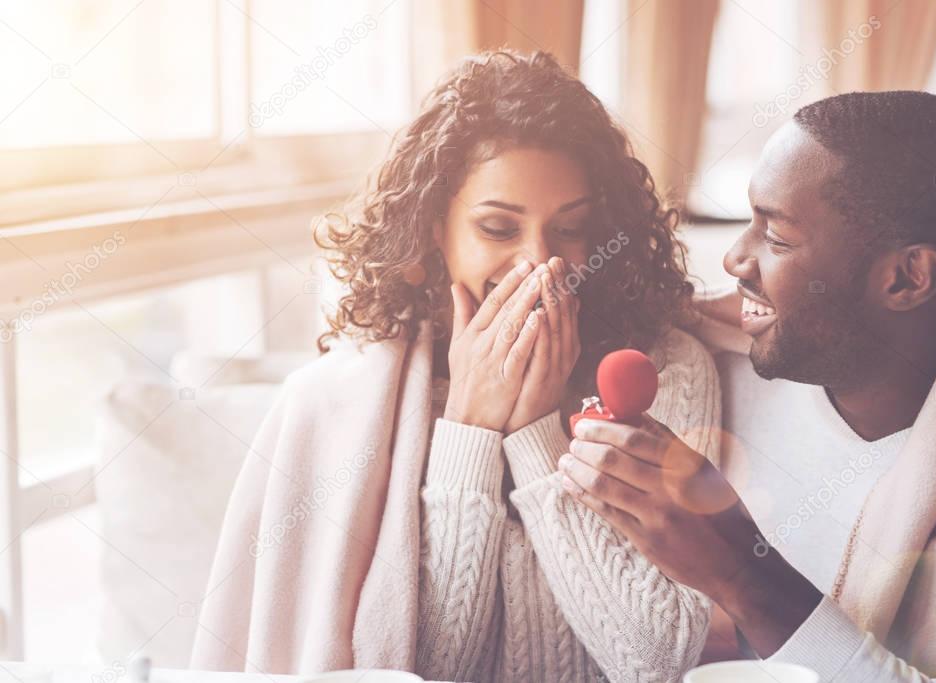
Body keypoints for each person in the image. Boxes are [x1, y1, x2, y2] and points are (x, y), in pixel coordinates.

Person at [191, 50, 721, 681]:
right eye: (498, 228)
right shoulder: (341, 402)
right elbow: (417, 668)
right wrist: (468, 429)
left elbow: (657, 660)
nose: (539, 264)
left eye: (570, 229)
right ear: (435, 228)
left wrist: (533, 434)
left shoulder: (665, 371)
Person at [561, 91, 936, 682]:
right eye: (747, 221)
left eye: (776, 238)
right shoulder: (699, 370)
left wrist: (742, 574)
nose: (733, 260)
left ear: (908, 278)